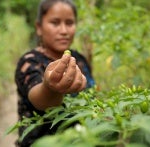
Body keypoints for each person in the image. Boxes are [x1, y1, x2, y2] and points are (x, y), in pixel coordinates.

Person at [14, 0, 95, 146]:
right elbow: (39, 97)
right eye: (55, 23)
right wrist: (50, 88)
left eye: (69, 23)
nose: (64, 31)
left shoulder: (80, 60)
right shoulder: (29, 62)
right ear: (39, 27)